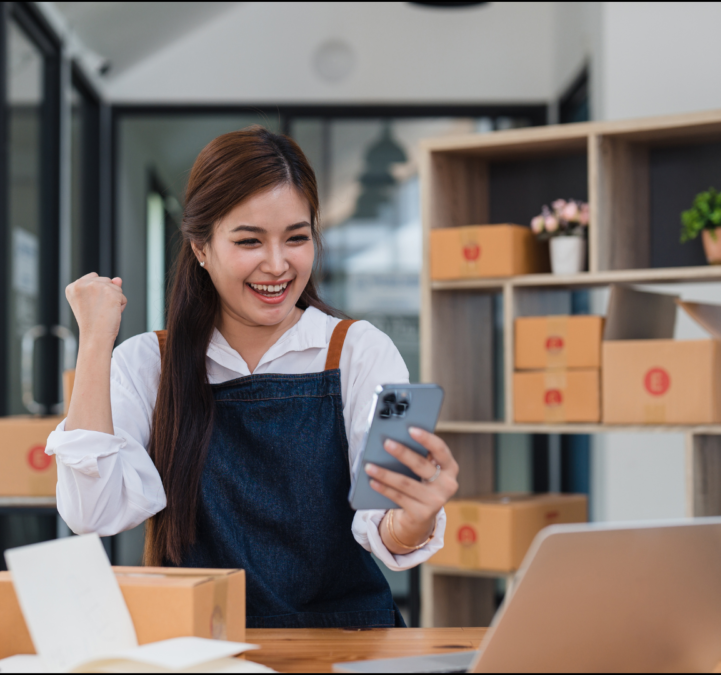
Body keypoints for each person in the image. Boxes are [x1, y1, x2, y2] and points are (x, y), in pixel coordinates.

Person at [48, 126, 459, 628]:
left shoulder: (363, 352)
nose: (278, 264)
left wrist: (414, 518)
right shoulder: (146, 363)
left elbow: (386, 526)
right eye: (249, 240)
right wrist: (94, 342)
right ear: (200, 247)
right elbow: (94, 513)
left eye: (297, 238)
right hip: (199, 647)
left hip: (343, 644)